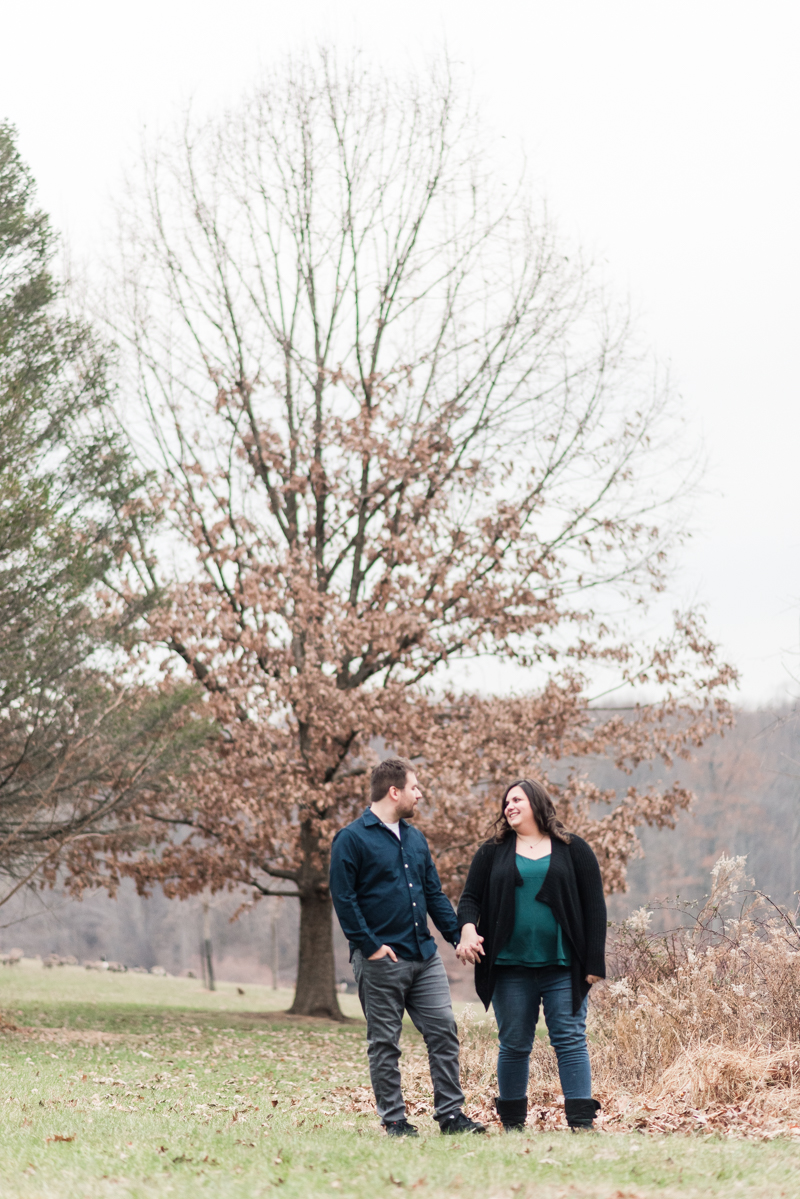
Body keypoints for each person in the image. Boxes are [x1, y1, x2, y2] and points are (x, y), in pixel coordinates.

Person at [330, 757, 485, 1138]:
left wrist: (456, 937)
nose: (421, 794)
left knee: (444, 1032)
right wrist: (370, 947)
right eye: (415, 788)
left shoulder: (415, 839)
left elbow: (433, 894)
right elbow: (344, 899)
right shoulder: (351, 838)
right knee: (385, 1043)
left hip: (424, 956)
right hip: (382, 960)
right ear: (393, 791)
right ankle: (395, 1121)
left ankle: (451, 1117)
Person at [456, 779, 606, 1132]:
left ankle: (581, 1122)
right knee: (513, 1044)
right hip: (509, 967)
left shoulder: (574, 849)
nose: (509, 806)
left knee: (569, 1039)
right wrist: (466, 928)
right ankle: (512, 1124)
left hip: (564, 966)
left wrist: (594, 963)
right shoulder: (491, 852)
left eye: (517, 799)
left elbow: (595, 907)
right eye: (506, 802)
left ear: (537, 803)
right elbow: (469, 899)